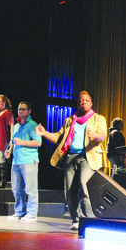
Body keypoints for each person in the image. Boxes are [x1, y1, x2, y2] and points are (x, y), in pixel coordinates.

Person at [35, 91, 107, 230]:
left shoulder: (98, 119)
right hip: (70, 157)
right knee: (69, 190)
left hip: (88, 157)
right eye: (81, 100)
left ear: (91, 103)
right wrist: (44, 133)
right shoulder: (70, 120)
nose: (83, 102)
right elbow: (58, 138)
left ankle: (88, 219)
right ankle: (76, 219)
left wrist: (95, 135)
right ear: (78, 103)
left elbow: (102, 136)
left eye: (86, 100)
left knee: (83, 183)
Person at [4, 101, 42, 221]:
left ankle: (32, 213)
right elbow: (13, 141)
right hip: (16, 161)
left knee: (30, 188)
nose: (20, 111)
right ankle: (20, 211)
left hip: (29, 160)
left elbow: (38, 142)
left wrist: (21, 143)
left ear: (29, 111)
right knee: (16, 188)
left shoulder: (33, 125)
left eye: (23, 109)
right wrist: (9, 150)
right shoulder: (16, 126)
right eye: (19, 109)